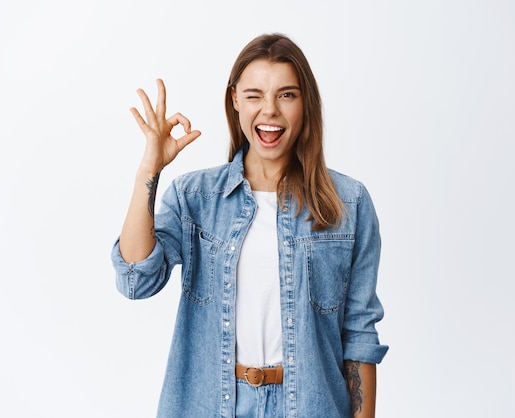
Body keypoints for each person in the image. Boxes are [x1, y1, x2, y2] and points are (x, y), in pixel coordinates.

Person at [111, 33, 388, 418]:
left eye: (287, 95)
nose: (270, 110)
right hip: (209, 406)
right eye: (255, 95)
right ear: (235, 100)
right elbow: (135, 279)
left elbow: (358, 336)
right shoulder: (196, 198)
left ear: (305, 104)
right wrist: (149, 170)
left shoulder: (349, 203)